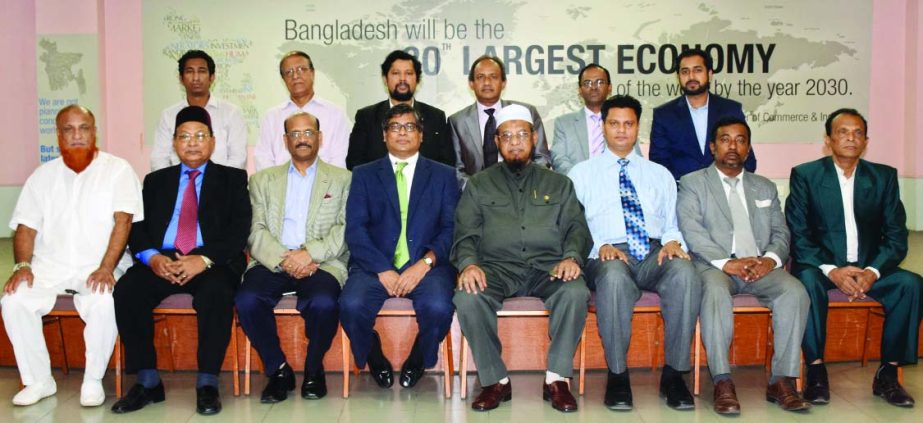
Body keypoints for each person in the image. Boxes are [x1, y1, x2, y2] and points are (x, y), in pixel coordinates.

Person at [111, 106, 251, 415]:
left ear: (212, 142)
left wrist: (204, 259)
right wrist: (152, 258)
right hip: (164, 258)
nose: (192, 143)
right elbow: (138, 228)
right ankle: (147, 381)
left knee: (217, 293)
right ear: (174, 143)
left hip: (210, 260)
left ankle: (207, 383)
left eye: (200, 136)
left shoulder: (232, 179)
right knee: (127, 291)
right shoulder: (155, 181)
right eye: (184, 136)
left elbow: (240, 230)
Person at [452, 104, 590, 413]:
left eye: (522, 135)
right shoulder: (478, 184)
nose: (515, 142)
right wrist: (469, 264)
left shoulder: (559, 184)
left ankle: (556, 379)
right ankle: (495, 380)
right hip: (496, 270)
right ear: (497, 142)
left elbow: (576, 228)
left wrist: (571, 257)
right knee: (468, 297)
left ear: (534, 138)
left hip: (549, 268)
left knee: (575, 291)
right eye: (507, 136)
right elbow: (465, 234)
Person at [1, 105, 142, 407]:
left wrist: (106, 267)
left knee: (104, 300)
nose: (77, 135)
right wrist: (22, 265)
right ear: (59, 135)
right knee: (14, 299)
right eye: (69, 129)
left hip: (100, 266)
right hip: (50, 267)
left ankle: (92, 380)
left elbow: (124, 222)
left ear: (94, 132)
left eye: (84, 128)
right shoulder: (42, 176)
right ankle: (38, 380)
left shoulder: (117, 170)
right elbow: (25, 227)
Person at [569, 95, 699, 411]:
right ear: (603, 126)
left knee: (684, 273)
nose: (622, 131)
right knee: (613, 279)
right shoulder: (581, 173)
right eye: (614, 123)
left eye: (629, 124)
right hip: (606, 253)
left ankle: (674, 375)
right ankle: (617, 376)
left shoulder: (660, 174)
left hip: (653, 252)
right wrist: (600, 245)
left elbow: (671, 223)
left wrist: (672, 242)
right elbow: (573, 226)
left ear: (638, 127)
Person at [786, 108, 922, 408]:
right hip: (821, 266)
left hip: (869, 267)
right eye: (843, 132)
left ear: (866, 141)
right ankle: (817, 370)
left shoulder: (883, 177)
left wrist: (872, 271)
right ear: (828, 140)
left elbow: (897, 234)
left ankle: (888, 373)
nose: (851, 138)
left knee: (910, 284)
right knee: (805, 282)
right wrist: (833, 270)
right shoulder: (806, 175)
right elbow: (798, 234)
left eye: (857, 133)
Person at [677, 117, 810, 414]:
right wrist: (729, 264)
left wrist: (770, 260)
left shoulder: (765, 187)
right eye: (725, 139)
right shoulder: (692, 183)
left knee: (795, 292)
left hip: (760, 267)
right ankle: (723, 380)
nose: (732, 146)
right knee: (713, 291)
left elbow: (781, 232)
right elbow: (693, 232)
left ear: (748, 149)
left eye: (740, 140)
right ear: (713, 147)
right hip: (715, 267)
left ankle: (782, 380)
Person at [340, 104, 459, 390]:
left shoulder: (443, 175)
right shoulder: (364, 174)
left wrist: (425, 264)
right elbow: (355, 229)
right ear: (384, 135)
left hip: (426, 265)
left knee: (439, 305)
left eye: (410, 127)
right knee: (350, 304)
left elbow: (451, 228)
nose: (402, 133)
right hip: (374, 265)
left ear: (421, 135)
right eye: (395, 127)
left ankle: (420, 355)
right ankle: (372, 353)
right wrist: (382, 269)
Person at [236, 111, 351, 402]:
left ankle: (314, 369)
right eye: (295, 134)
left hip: (322, 261)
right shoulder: (262, 180)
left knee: (324, 302)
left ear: (319, 138)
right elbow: (255, 228)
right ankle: (278, 370)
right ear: (286, 140)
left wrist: (309, 253)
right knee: (247, 300)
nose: (302, 139)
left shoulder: (343, 179)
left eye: (308, 133)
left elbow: (345, 227)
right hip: (273, 260)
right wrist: (284, 258)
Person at [650, 48, 755, 181]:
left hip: (726, 192)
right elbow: (659, 164)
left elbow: (747, 158)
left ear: (710, 74)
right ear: (678, 77)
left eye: (697, 70)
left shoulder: (730, 110)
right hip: (682, 194)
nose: (691, 77)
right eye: (685, 72)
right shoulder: (664, 115)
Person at [448, 56, 550, 185]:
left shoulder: (525, 112)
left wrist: (522, 185)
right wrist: (477, 192)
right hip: (478, 197)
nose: (487, 82)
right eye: (480, 77)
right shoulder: (457, 121)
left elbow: (542, 158)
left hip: (523, 191)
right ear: (471, 84)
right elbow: (456, 169)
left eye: (493, 77)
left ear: (503, 83)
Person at [346, 50, 455, 169]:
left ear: (417, 80)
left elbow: (447, 163)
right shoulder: (366, 117)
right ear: (385, 79)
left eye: (408, 73)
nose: (402, 79)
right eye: (396, 73)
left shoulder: (435, 117)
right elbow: (354, 162)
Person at [151, 50, 248, 170]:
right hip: (179, 185)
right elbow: (159, 159)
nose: (196, 78)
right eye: (189, 72)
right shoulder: (168, 115)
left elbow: (238, 159)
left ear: (212, 77)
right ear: (181, 78)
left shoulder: (231, 113)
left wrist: (215, 182)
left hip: (220, 185)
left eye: (202, 71)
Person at [255, 51, 349, 170]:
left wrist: (324, 185)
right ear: (283, 79)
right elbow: (263, 158)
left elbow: (339, 158)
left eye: (301, 69)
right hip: (280, 186)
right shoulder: (271, 116)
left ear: (313, 73)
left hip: (325, 185)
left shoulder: (335, 113)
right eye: (289, 72)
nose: (295, 76)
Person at [552, 64, 640, 175]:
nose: (593, 87)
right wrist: (582, 179)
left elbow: (635, 156)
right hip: (577, 185)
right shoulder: (563, 123)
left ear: (609, 88)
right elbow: (559, 159)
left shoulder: (623, 121)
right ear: (580, 89)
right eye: (587, 83)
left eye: (599, 82)